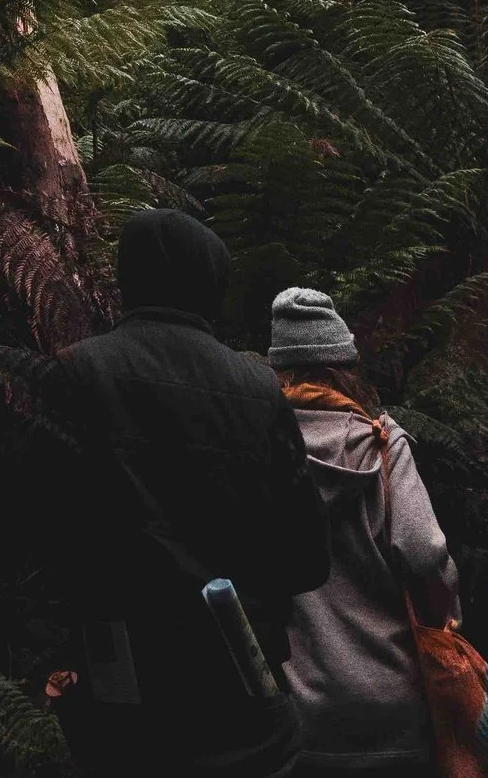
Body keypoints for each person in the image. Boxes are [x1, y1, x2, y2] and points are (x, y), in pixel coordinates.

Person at [27, 211, 329, 778]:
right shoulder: (259, 389)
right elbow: (307, 556)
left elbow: (44, 533)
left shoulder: (76, 373)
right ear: (211, 280)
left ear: (129, 276)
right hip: (241, 673)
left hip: (121, 685)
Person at [268, 286, 460, 778]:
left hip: (300, 706)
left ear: (280, 371)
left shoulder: (259, 451)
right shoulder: (380, 445)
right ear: (344, 368)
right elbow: (424, 554)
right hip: (393, 700)